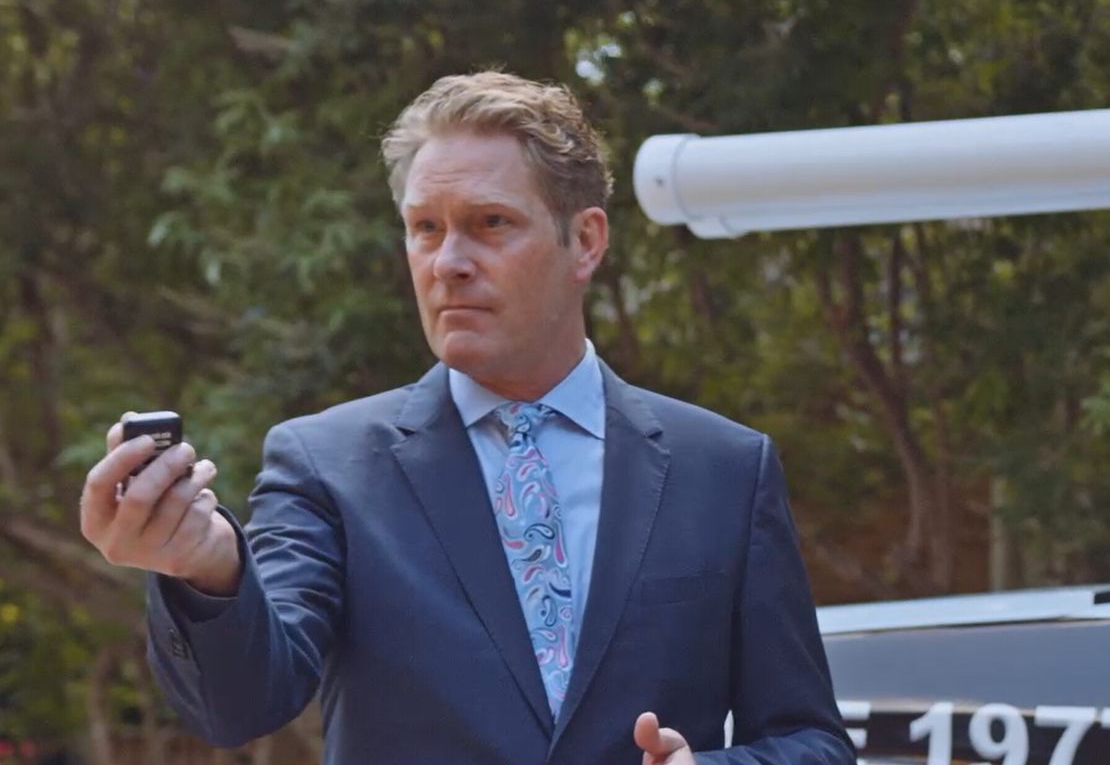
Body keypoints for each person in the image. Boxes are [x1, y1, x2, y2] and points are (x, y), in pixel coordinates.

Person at [78, 73, 855, 765]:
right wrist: (207, 569)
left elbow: (812, 741)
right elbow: (243, 706)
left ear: (584, 241)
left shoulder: (722, 468)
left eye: (489, 224)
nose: (448, 261)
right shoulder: (328, 464)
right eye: (425, 228)